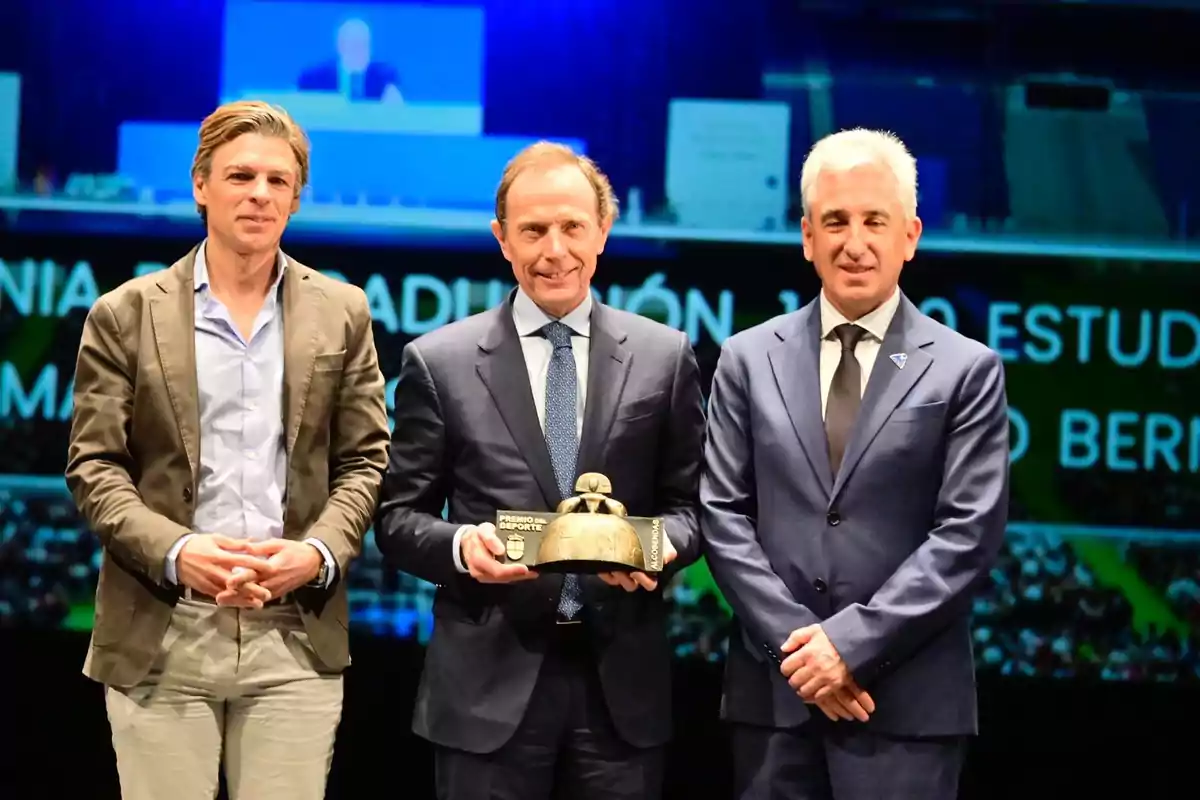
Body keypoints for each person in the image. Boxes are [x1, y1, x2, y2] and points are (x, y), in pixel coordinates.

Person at [64, 100, 391, 800]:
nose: (260, 194)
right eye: (241, 175)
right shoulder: (124, 313)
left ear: (297, 196)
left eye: (278, 180)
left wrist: (318, 553)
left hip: (294, 633)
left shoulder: (343, 310)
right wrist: (181, 552)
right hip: (163, 628)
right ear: (200, 184)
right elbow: (94, 468)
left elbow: (367, 459)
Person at [374, 141, 706, 800]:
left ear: (603, 232)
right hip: (484, 691)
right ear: (502, 239)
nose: (554, 248)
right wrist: (463, 547)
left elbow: (693, 505)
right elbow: (395, 519)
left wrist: (661, 547)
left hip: (622, 688)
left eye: (572, 227)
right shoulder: (438, 362)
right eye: (533, 230)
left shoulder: (664, 356)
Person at [699, 128, 1010, 800]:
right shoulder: (747, 360)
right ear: (808, 236)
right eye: (835, 221)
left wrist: (850, 647)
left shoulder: (966, 370)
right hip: (775, 702)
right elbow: (722, 514)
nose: (855, 241)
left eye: (876, 220)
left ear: (911, 235)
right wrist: (803, 651)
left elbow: (967, 536)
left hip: (904, 705)